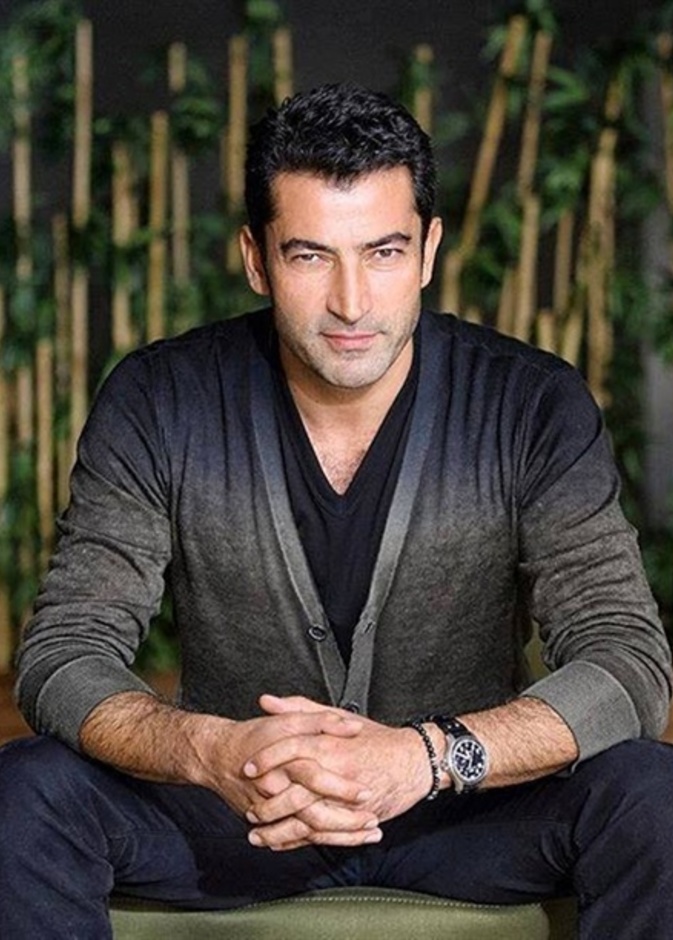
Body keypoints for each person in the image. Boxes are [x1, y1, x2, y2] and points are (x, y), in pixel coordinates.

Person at [1, 82, 672, 938]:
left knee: (650, 793)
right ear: (256, 259)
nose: (351, 303)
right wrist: (213, 751)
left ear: (428, 251)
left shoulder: (530, 404)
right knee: (26, 788)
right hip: (237, 810)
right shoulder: (161, 399)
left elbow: (625, 661)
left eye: (383, 252)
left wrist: (424, 757)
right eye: (310, 256)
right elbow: (65, 652)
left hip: (463, 811)